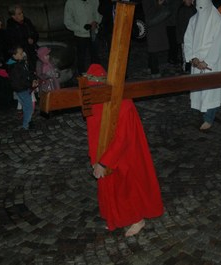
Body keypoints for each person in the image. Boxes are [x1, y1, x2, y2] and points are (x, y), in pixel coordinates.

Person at [85, 64, 164, 237]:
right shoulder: (94, 102)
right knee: (111, 187)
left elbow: (123, 138)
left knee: (127, 187)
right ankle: (116, 218)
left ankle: (137, 219)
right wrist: (95, 159)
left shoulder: (123, 104)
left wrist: (104, 161)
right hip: (105, 153)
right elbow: (94, 131)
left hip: (125, 155)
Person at [184, 0, 221, 131]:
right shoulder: (193, 20)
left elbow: (218, 42)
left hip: (212, 61)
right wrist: (193, 58)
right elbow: (188, 39)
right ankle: (207, 113)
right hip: (197, 61)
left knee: (211, 91)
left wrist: (207, 61)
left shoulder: (218, 21)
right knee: (200, 90)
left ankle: (209, 117)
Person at [64, 0, 102, 75]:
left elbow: (98, 14)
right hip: (80, 35)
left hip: (93, 32)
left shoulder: (94, 1)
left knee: (95, 56)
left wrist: (96, 22)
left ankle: (96, 77)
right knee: (81, 58)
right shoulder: (71, 2)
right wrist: (81, 28)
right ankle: (82, 80)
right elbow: (67, 21)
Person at [7, 45, 38, 130]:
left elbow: (28, 73)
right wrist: (30, 84)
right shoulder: (14, 67)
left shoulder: (20, 62)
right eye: (20, 53)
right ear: (14, 55)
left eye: (23, 53)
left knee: (26, 106)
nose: (23, 55)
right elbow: (20, 81)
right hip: (21, 89)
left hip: (24, 87)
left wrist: (33, 80)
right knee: (29, 107)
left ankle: (27, 121)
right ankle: (26, 124)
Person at [6, 4, 39, 71]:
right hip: (22, 52)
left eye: (22, 12)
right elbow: (13, 42)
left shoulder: (27, 21)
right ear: (13, 16)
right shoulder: (11, 27)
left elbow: (35, 33)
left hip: (32, 48)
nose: (22, 14)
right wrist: (26, 41)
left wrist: (33, 39)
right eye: (19, 13)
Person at [142, 0, 169, 78]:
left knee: (153, 48)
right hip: (152, 24)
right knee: (153, 48)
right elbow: (147, 10)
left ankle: (150, 67)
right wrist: (158, 3)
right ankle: (154, 71)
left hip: (157, 23)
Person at [176, 0, 196, 73]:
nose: (189, 1)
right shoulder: (182, 9)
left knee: (192, 53)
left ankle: (191, 69)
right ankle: (185, 70)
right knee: (185, 55)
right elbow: (180, 25)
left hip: (193, 36)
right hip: (184, 37)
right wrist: (182, 38)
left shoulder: (193, 8)